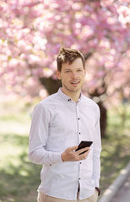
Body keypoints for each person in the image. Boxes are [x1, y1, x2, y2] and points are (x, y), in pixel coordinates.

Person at [28, 47, 101, 202]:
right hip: (56, 194)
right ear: (59, 74)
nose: (74, 76)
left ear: (85, 72)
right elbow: (34, 153)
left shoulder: (93, 108)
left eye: (78, 70)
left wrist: (95, 186)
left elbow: (96, 151)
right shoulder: (44, 108)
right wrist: (62, 157)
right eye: (68, 71)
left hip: (88, 195)